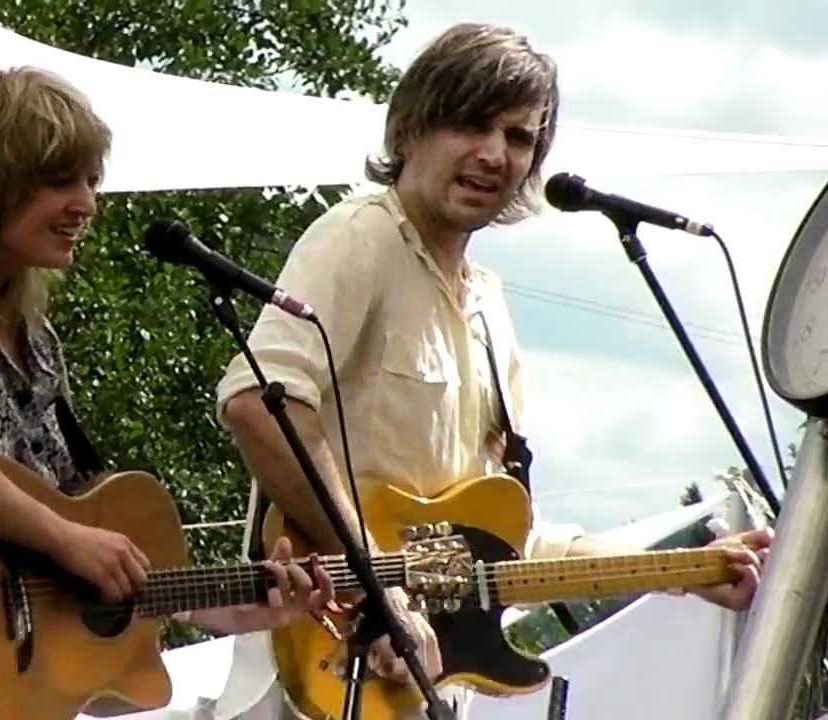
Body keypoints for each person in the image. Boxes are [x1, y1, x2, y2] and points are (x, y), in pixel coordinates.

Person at [215, 21, 773, 713]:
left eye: (518, 138)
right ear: (412, 128)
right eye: (472, 125)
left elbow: (504, 539)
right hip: (314, 673)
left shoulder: (487, 310)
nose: (493, 155)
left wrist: (682, 571)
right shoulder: (361, 237)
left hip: (418, 689)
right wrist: (382, 584)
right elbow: (258, 401)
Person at [0, 68, 333, 650]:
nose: (86, 204)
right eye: (62, 181)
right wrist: (67, 539)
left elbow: (82, 544)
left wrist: (238, 606)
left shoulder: (33, 339)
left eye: (91, 181)